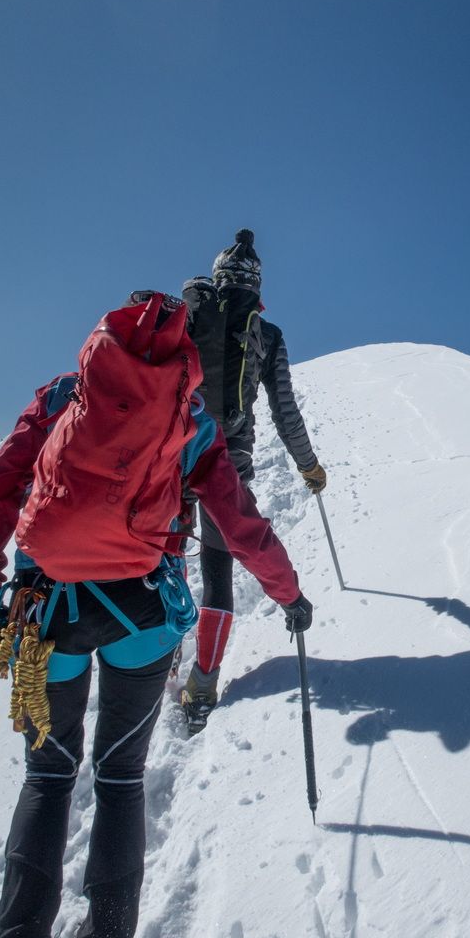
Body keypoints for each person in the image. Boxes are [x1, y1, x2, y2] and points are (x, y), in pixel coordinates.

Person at [0, 292, 312, 938]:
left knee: (47, 772)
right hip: (140, 617)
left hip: (46, 614)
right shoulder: (190, 421)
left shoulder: (61, 399)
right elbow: (240, 522)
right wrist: (288, 595)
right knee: (121, 777)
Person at [179, 231, 326, 733]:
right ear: (257, 285)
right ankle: (203, 682)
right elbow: (286, 413)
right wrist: (308, 466)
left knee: (161, 562)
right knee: (218, 570)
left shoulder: (187, 317)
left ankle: (150, 666)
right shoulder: (268, 334)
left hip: (170, 457)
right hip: (226, 464)